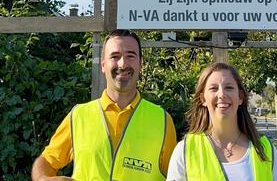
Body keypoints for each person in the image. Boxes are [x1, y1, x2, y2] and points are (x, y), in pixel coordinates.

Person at [31, 29, 177, 180]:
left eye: (130, 56)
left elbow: (175, 176)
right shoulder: (78, 116)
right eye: (115, 56)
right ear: (103, 65)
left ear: (141, 64)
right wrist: (44, 178)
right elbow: (46, 161)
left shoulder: (163, 121)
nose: (122, 64)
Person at [167, 62, 277, 180]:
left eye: (229, 88)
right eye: (214, 88)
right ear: (203, 99)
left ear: (240, 97)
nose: (222, 94)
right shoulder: (185, 150)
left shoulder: (265, 149)